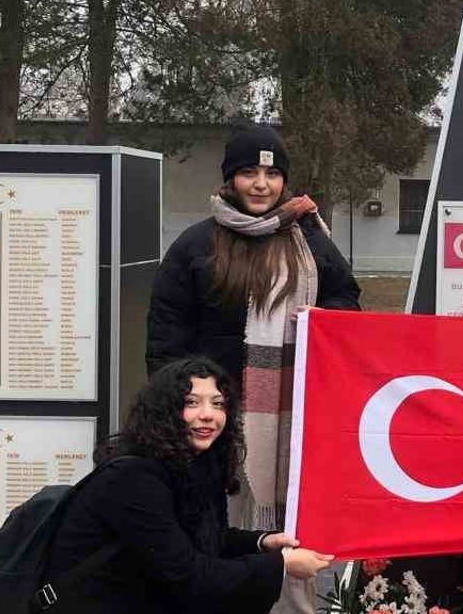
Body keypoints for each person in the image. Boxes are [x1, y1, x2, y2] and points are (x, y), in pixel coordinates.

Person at [146, 122, 360, 612]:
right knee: (211, 523)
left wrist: (324, 320)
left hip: (290, 421)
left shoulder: (310, 242)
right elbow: (166, 335)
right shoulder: (195, 245)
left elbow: (346, 301)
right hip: (212, 419)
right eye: (248, 172)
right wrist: (176, 409)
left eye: (271, 173)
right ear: (229, 179)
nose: (261, 184)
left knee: (288, 521)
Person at [45, 358, 334, 614]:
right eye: (191, 402)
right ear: (164, 412)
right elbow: (188, 574)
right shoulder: (133, 478)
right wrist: (281, 565)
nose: (208, 414)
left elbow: (205, 540)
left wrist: (262, 543)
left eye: (218, 403)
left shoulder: (198, 464)